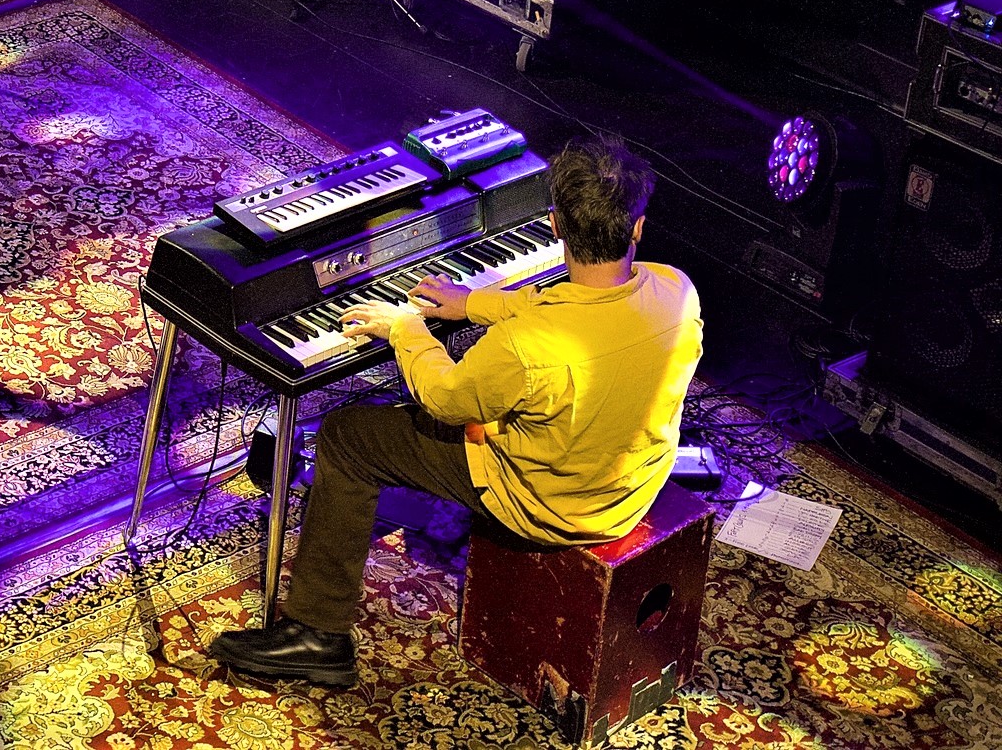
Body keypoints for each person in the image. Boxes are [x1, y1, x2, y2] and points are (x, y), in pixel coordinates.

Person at [207, 135, 703, 688]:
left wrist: (406, 331)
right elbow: (576, 307)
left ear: (556, 224)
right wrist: (474, 304)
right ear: (636, 227)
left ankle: (317, 635)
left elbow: (443, 396)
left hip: (546, 505)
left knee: (349, 435)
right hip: (630, 491)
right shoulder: (676, 292)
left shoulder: (524, 347)